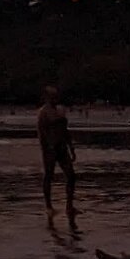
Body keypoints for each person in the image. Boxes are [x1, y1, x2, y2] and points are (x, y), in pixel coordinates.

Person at [36, 86, 76, 221]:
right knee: (49, 176)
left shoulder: (59, 110)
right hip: (49, 149)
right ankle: (48, 206)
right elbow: (42, 133)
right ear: (46, 97)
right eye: (52, 96)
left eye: (56, 96)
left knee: (71, 175)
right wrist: (48, 147)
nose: (55, 98)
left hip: (62, 147)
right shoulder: (43, 112)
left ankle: (69, 206)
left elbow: (65, 130)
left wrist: (71, 148)